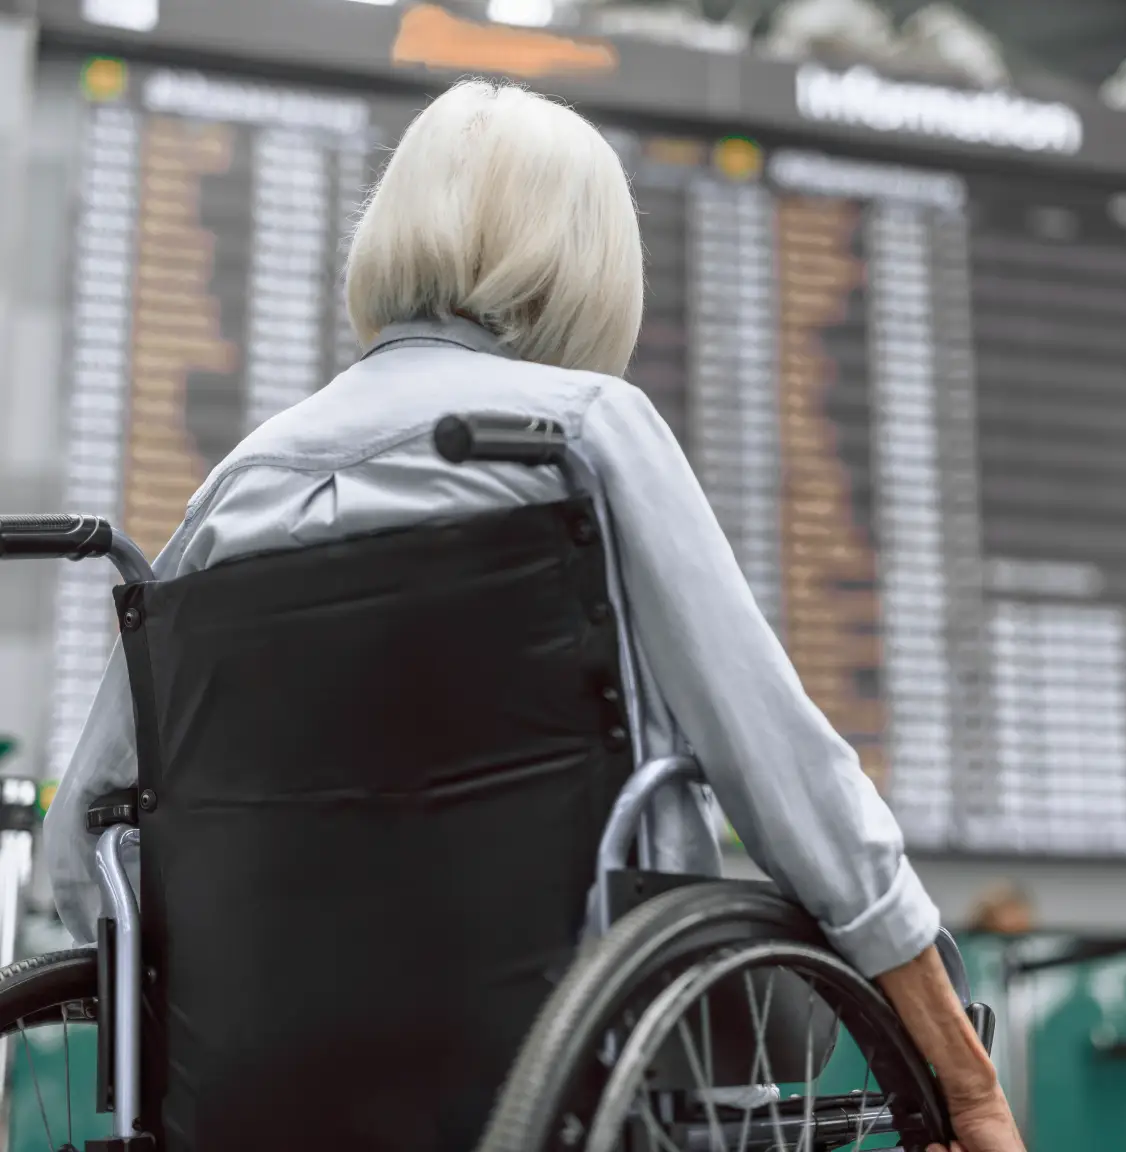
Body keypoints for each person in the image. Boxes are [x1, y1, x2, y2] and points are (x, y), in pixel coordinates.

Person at [43, 79, 1024, 1152]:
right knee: (813, 1001)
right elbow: (783, 770)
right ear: (588, 261)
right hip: (572, 1051)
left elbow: (78, 849)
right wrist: (963, 1079)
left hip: (264, 1082)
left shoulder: (231, 492)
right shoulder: (583, 430)